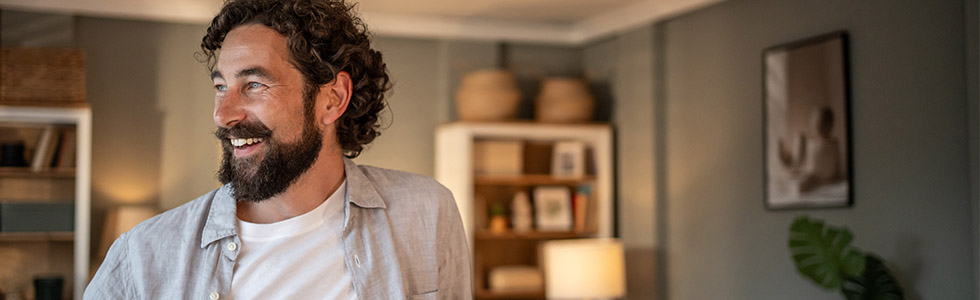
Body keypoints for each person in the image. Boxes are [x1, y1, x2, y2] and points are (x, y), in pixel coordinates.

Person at [84, 0, 472, 299]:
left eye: (254, 84)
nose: (224, 114)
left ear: (332, 99)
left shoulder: (426, 213)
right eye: (221, 86)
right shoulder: (143, 256)